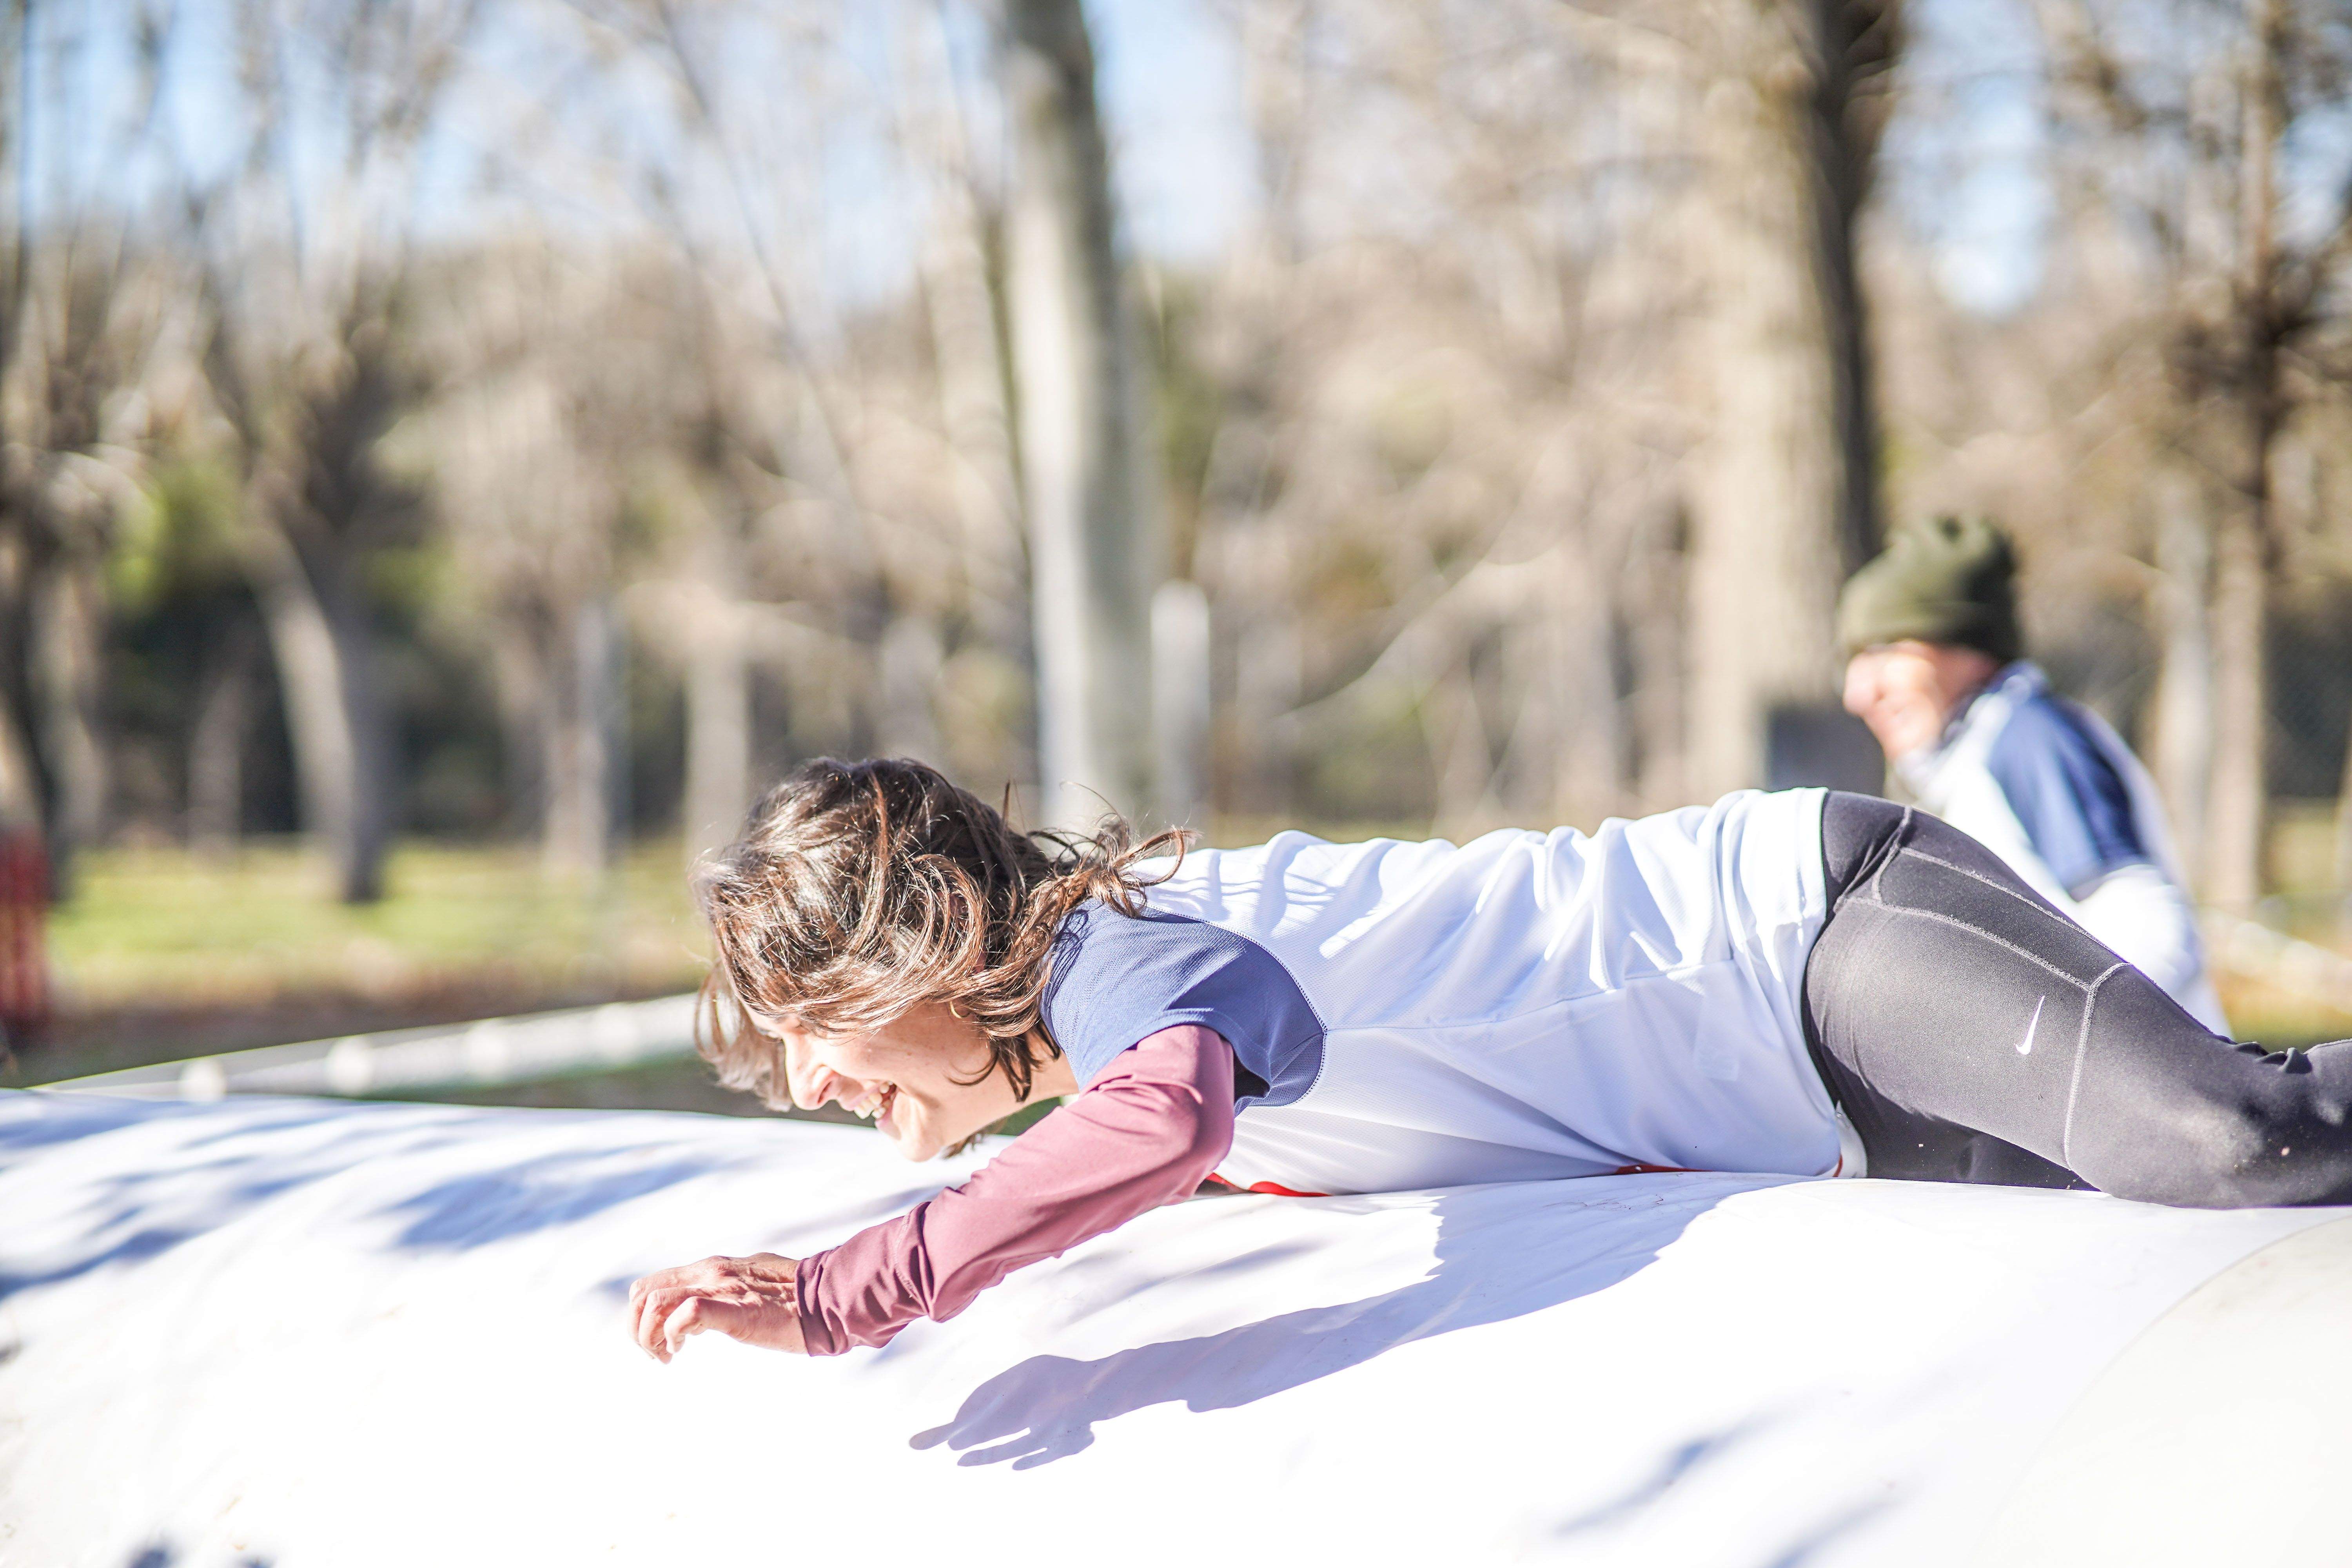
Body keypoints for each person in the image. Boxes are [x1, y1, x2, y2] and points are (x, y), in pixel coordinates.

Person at [629, 757, 2350, 1364]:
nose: (817, 1089)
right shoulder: (1106, 1019)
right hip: (1818, 1108)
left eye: (818, 1036)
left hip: (1811, 935)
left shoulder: (1128, 960)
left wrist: (850, 1289)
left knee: (2238, 1140)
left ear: (925, 939)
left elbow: (1163, 1122)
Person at [1837, 514, 2228, 1034]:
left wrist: (2039, 1049)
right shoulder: (1978, 754)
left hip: (2145, 1106)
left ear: (1967, 646)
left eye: (1885, 651)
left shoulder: (2028, 740)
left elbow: (2156, 933)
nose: (1858, 692)